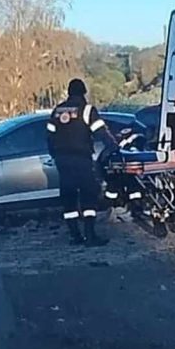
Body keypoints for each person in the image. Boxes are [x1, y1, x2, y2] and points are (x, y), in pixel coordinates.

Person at [46, 78, 115, 247]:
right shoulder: (87, 110)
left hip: (62, 160)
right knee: (88, 195)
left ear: (69, 92)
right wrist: (114, 147)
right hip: (81, 159)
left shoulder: (57, 110)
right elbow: (101, 132)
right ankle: (90, 236)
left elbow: (49, 136)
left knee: (68, 196)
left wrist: (55, 155)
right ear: (83, 92)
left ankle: (75, 236)